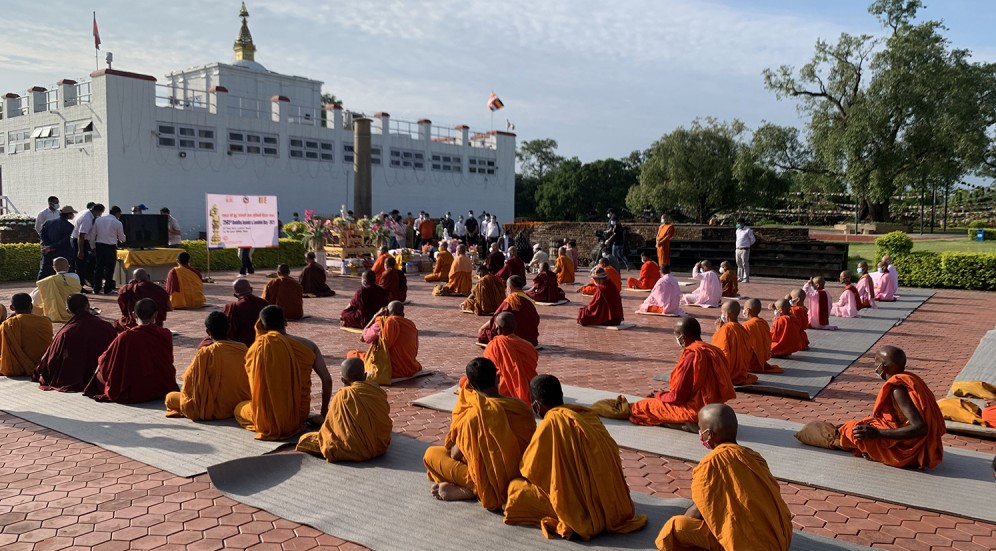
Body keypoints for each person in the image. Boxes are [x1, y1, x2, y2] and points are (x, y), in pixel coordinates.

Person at [503, 374, 647, 540]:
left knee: (515, 489)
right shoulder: (588, 415)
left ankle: (581, 514)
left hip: (581, 514)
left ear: (536, 406)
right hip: (616, 506)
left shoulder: (551, 424)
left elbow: (529, 469)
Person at [655, 404, 792, 551]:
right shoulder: (753, 457)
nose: (700, 433)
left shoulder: (711, 464)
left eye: (701, 429)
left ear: (709, 434)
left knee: (675, 528)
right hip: (782, 539)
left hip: (749, 547)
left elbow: (697, 512)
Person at [424, 357, 535, 510]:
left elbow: (454, 455)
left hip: (487, 481)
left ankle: (475, 489)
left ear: (470, 385)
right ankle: (481, 487)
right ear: (498, 378)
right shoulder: (521, 408)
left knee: (431, 454)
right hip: (521, 475)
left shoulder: (473, 416)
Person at [595, 318, 734, 429]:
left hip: (695, 411)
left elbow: (678, 398)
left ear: (683, 338)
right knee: (655, 401)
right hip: (714, 408)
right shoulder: (712, 350)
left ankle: (686, 422)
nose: (677, 340)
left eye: (677, 335)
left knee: (642, 406)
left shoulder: (693, 355)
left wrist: (658, 395)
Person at [835, 346, 945, 469]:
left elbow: (920, 428)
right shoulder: (912, 379)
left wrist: (877, 433)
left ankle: (835, 439)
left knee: (851, 431)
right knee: (863, 425)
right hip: (916, 442)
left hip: (906, 452)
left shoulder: (898, 390)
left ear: (883, 367)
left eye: (876, 363)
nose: (874, 367)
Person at [235, 305, 333, 440]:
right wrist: (323, 413)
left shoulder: (257, 348)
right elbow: (327, 380)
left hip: (266, 418)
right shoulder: (309, 345)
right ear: (285, 322)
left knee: (239, 408)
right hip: (299, 415)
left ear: (262, 325)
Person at [296, 358, 392, 462]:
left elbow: (332, 427)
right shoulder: (376, 391)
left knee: (305, 439)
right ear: (364, 376)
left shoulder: (343, 395)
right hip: (380, 445)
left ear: (343, 380)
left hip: (355, 448)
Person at [83, 298, 178, 403]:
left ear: (133, 315)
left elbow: (106, 359)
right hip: (163, 387)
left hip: (135, 391)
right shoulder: (165, 334)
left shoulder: (126, 336)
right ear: (155, 314)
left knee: (101, 368)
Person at [165, 312, 250, 420]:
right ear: (229, 328)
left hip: (211, 408)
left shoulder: (205, 353)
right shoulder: (243, 349)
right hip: (241, 402)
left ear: (208, 332)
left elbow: (188, 381)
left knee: (170, 398)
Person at [33, 294, 117, 392]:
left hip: (72, 376)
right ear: (88, 306)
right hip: (103, 374)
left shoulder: (65, 332)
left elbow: (53, 357)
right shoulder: (106, 326)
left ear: (68, 311)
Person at [348, 300, 422, 384]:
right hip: (409, 368)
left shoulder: (382, 322)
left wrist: (375, 316)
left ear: (387, 313)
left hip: (388, 370)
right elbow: (415, 351)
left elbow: (363, 337)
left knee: (352, 354)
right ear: (403, 315)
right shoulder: (411, 325)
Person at [483, 313, 539, 403]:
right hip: (532, 391)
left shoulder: (493, 346)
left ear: (498, 328)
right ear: (515, 327)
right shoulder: (528, 346)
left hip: (505, 392)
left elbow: (488, 370)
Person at [0, 293, 55, 377]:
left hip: (15, 367)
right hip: (44, 364)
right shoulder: (46, 321)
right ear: (31, 306)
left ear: (11, 308)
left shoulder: (7, 325)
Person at [479, 276, 540, 346]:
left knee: (483, 334)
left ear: (510, 288)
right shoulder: (528, 300)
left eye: (507, 287)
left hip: (513, 338)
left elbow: (496, 319)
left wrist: (482, 328)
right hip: (530, 340)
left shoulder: (510, 300)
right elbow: (536, 319)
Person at [711, 300, 758, 386]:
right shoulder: (742, 328)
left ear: (727, 314)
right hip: (741, 371)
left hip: (728, 372)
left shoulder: (726, 329)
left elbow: (720, 350)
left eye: (722, 313)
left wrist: (718, 331)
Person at [31, 257, 82, 322]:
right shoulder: (75, 276)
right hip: (75, 309)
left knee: (37, 298)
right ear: (68, 267)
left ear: (54, 268)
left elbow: (35, 299)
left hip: (56, 310)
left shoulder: (48, 281)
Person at [221, 278, 269, 347]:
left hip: (240, 347)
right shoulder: (264, 303)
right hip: (263, 344)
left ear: (235, 295)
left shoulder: (231, 307)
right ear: (251, 289)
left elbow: (224, 330)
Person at [91, 206, 126, 295]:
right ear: (117, 213)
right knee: (109, 269)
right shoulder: (117, 222)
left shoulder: (98, 220)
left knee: (98, 267)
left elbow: (93, 234)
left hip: (99, 246)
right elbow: (122, 239)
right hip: (110, 247)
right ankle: (107, 289)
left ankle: (96, 288)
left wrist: (93, 247)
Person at [741, 298, 783, 374]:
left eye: (744, 309)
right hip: (763, 359)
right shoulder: (763, 322)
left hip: (750, 362)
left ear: (748, 311)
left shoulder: (746, 326)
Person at [38, 205, 77, 280]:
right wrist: (51, 247)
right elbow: (65, 241)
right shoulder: (69, 226)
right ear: (69, 214)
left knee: (44, 272)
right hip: (64, 253)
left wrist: (48, 246)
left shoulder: (48, 223)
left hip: (48, 253)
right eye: (72, 214)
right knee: (69, 272)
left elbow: (42, 235)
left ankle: (40, 288)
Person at [74, 203, 103, 293]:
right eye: (100, 213)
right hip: (79, 242)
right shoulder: (87, 219)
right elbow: (81, 235)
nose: (100, 215)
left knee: (83, 265)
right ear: (97, 211)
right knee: (80, 266)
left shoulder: (87, 214)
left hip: (81, 241)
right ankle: (79, 287)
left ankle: (82, 285)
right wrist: (80, 251)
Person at [734, 218, 756, 283]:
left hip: (745, 249)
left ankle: (746, 278)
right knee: (739, 264)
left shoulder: (748, 230)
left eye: (739, 223)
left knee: (745, 264)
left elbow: (753, 239)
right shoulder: (737, 230)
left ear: (742, 223)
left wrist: (747, 245)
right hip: (738, 249)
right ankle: (739, 277)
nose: (737, 225)